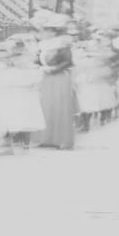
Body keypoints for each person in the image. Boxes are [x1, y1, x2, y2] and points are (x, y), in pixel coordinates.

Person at [36, 13, 76, 150]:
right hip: (46, 78)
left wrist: (54, 69)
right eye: (45, 30)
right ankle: (46, 138)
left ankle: (61, 139)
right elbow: (38, 59)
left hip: (59, 78)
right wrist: (38, 66)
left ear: (55, 31)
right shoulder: (41, 44)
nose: (47, 33)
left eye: (50, 30)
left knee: (60, 106)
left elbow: (68, 61)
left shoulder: (62, 43)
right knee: (46, 106)